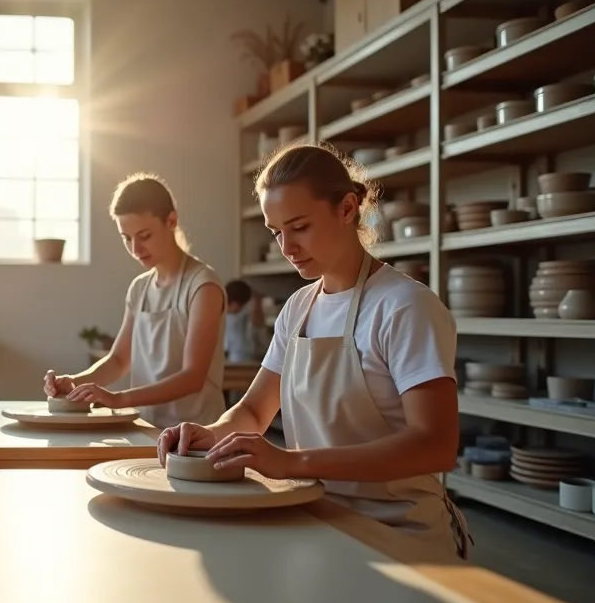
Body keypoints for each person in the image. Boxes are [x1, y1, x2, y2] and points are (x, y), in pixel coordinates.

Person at [157, 144, 470, 559]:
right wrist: (210, 435)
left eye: (299, 226)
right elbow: (252, 413)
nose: (287, 246)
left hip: (399, 533)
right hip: (316, 516)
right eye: (276, 232)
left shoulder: (404, 306)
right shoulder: (299, 308)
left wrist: (291, 463)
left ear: (346, 208)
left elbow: (435, 444)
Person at [44, 172, 226, 428]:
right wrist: (74, 382)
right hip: (146, 429)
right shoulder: (140, 287)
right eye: (126, 238)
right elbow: (118, 360)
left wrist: (118, 399)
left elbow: (192, 377)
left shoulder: (203, 285)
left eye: (144, 235)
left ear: (171, 221)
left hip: (198, 435)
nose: (135, 249)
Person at [223, 279, 265, 363]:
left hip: (241, 358)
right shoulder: (229, 316)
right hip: (235, 357)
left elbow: (257, 321)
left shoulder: (241, 315)